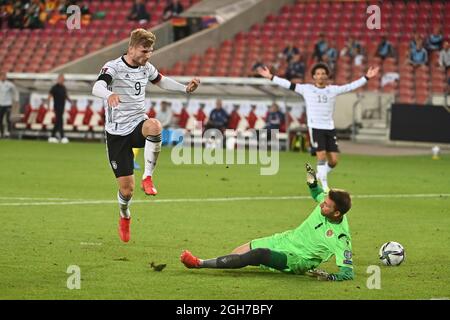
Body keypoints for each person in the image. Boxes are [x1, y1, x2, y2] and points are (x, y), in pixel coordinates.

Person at [91, 28, 200, 242]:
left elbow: (161, 80)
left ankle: (148, 177)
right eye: (144, 51)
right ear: (131, 48)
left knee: (155, 125)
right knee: (127, 190)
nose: (147, 55)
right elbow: (97, 87)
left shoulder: (146, 67)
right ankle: (125, 215)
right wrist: (109, 93)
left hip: (137, 124)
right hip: (116, 134)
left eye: (150, 51)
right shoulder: (113, 67)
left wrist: (184, 89)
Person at [181, 163, 354, 281]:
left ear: (337, 213)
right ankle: (268, 264)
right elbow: (316, 192)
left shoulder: (340, 237)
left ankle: (198, 263)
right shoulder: (327, 203)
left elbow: (347, 273)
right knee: (239, 254)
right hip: (287, 239)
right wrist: (311, 179)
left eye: (327, 205)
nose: (322, 204)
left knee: (259, 254)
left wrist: (331, 277)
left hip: (298, 259)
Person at [257, 62, 379, 191]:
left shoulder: (333, 90)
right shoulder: (306, 89)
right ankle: (325, 187)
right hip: (315, 127)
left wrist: (366, 77)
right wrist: (271, 77)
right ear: (313, 77)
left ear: (327, 76)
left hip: (329, 128)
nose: (320, 76)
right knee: (321, 155)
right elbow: (288, 84)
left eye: (323, 74)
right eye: (318, 74)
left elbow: (350, 86)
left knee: (333, 161)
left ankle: (317, 175)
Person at [48, 74, 72, 144]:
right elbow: (49, 96)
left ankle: (52, 136)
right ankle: (62, 136)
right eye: (61, 79)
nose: (62, 80)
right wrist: (48, 106)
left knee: (58, 121)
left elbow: (66, 96)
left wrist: (70, 101)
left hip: (62, 107)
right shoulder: (54, 87)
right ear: (58, 79)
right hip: (56, 107)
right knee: (59, 121)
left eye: (63, 79)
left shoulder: (63, 87)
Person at [0, 72, 19, 138]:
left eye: (5, 76)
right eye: (2, 76)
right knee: (0, 119)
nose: (4, 77)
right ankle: (1, 132)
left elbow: (15, 92)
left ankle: (8, 132)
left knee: (8, 119)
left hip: (8, 104)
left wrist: (16, 100)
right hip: (0, 104)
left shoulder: (10, 84)